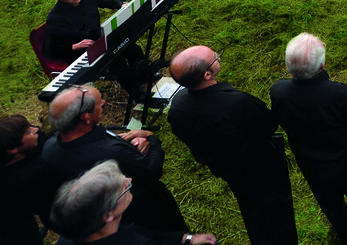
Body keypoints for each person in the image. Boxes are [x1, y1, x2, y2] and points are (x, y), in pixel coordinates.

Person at [167, 45, 298, 244]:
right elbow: (269, 124)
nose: (218, 56)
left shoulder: (178, 107)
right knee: (275, 219)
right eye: (215, 58)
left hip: (228, 169)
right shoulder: (238, 103)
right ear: (207, 74)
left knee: (252, 210)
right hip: (261, 169)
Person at [270, 34, 347, 244]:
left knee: (328, 200)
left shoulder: (278, 91)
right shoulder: (337, 93)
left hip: (311, 164)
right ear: (322, 65)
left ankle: (345, 229)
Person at [43, 85, 187, 233]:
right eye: (99, 103)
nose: (104, 102)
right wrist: (150, 138)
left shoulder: (50, 146)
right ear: (85, 118)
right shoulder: (111, 152)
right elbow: (151, 170)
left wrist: (123, 142)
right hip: (143, 210)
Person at [49, 161, 216, 245]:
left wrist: (187, 239)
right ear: (108, 214)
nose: (129, 180)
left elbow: (153, 236)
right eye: (122, 188)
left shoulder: (79, 230)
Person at [0, 116, 59, 245]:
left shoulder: (11, 159)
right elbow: (49, 213)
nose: (35, 129)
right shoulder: (30, 175)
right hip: (16, 234)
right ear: (12, 149)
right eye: (28, 132)